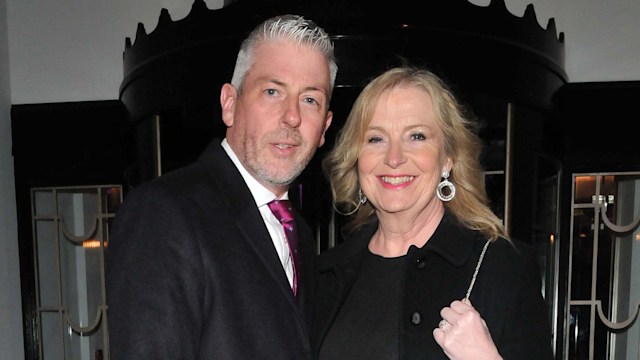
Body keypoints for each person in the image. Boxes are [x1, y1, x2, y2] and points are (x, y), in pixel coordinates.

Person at [106, 14, 337, 360]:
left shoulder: (300, 232)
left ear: (324, 128)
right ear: (230, 104)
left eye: (310, 100)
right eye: (272, 91)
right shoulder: (164, 213)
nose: (292, 117)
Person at [311, 67, 554, 360]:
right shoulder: (323, 274)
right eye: (376, 139)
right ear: (356, 158)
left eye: (416, 136)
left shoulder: (503, 269)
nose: (394, 158)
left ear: (447, 158)